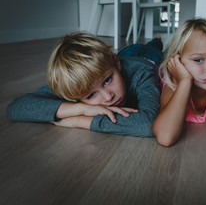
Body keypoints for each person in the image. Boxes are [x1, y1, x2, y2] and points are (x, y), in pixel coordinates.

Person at [7, 32, 164, 137]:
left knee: (152, 47)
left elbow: (151, 124)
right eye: (91, 95)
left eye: (108, 80)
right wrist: (82, 109)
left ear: (116, 64)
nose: (108, 96)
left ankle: (157, 39)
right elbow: (16, 107)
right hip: (121, 58)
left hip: (148, 59)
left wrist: (79, 120)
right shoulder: (82, 83)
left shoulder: (142, 74)